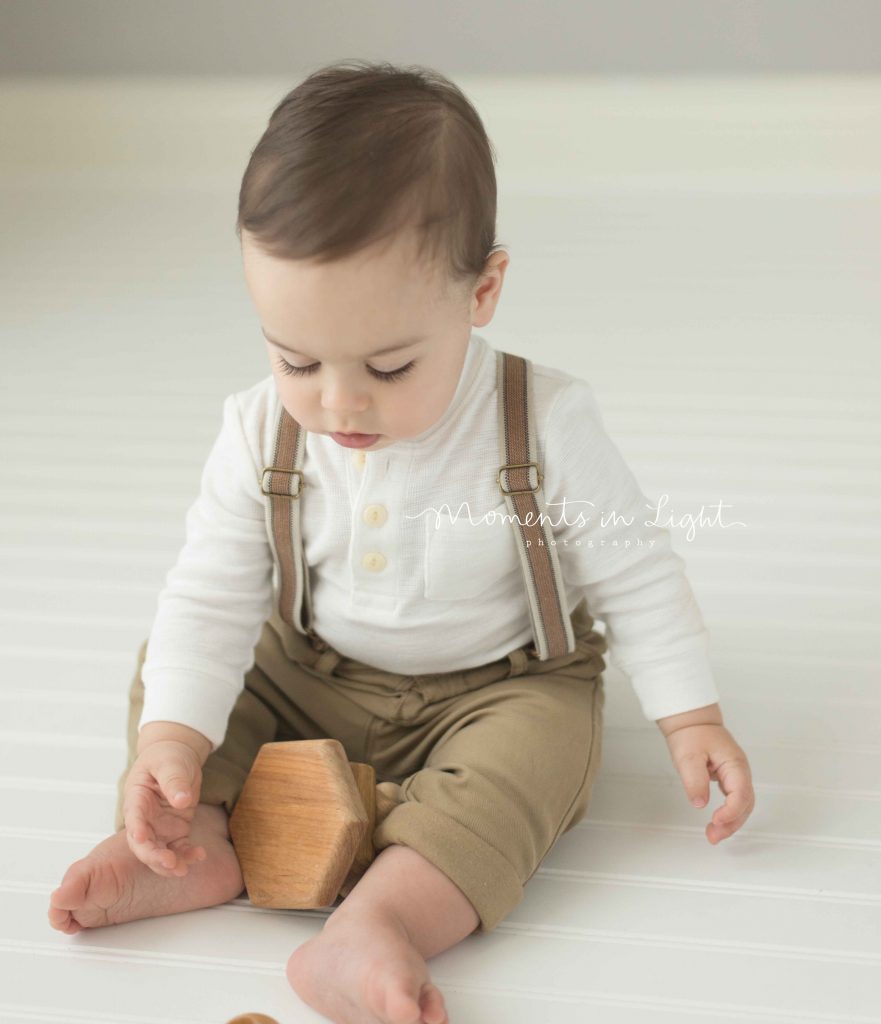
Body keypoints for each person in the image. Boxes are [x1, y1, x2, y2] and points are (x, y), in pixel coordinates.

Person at [48, 59, 755, 1024]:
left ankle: (379, 921)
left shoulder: (542, 421)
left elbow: (632, 568)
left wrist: (689, 715)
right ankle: (192, 839)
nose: (338, 401)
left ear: (482, 292)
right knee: (176, 672)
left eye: (388, 365)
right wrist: (174, 736)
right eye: (295, 357)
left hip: (498, 686)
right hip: (310, 667)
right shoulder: (259, 428)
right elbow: (210, 591)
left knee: (545, 750)